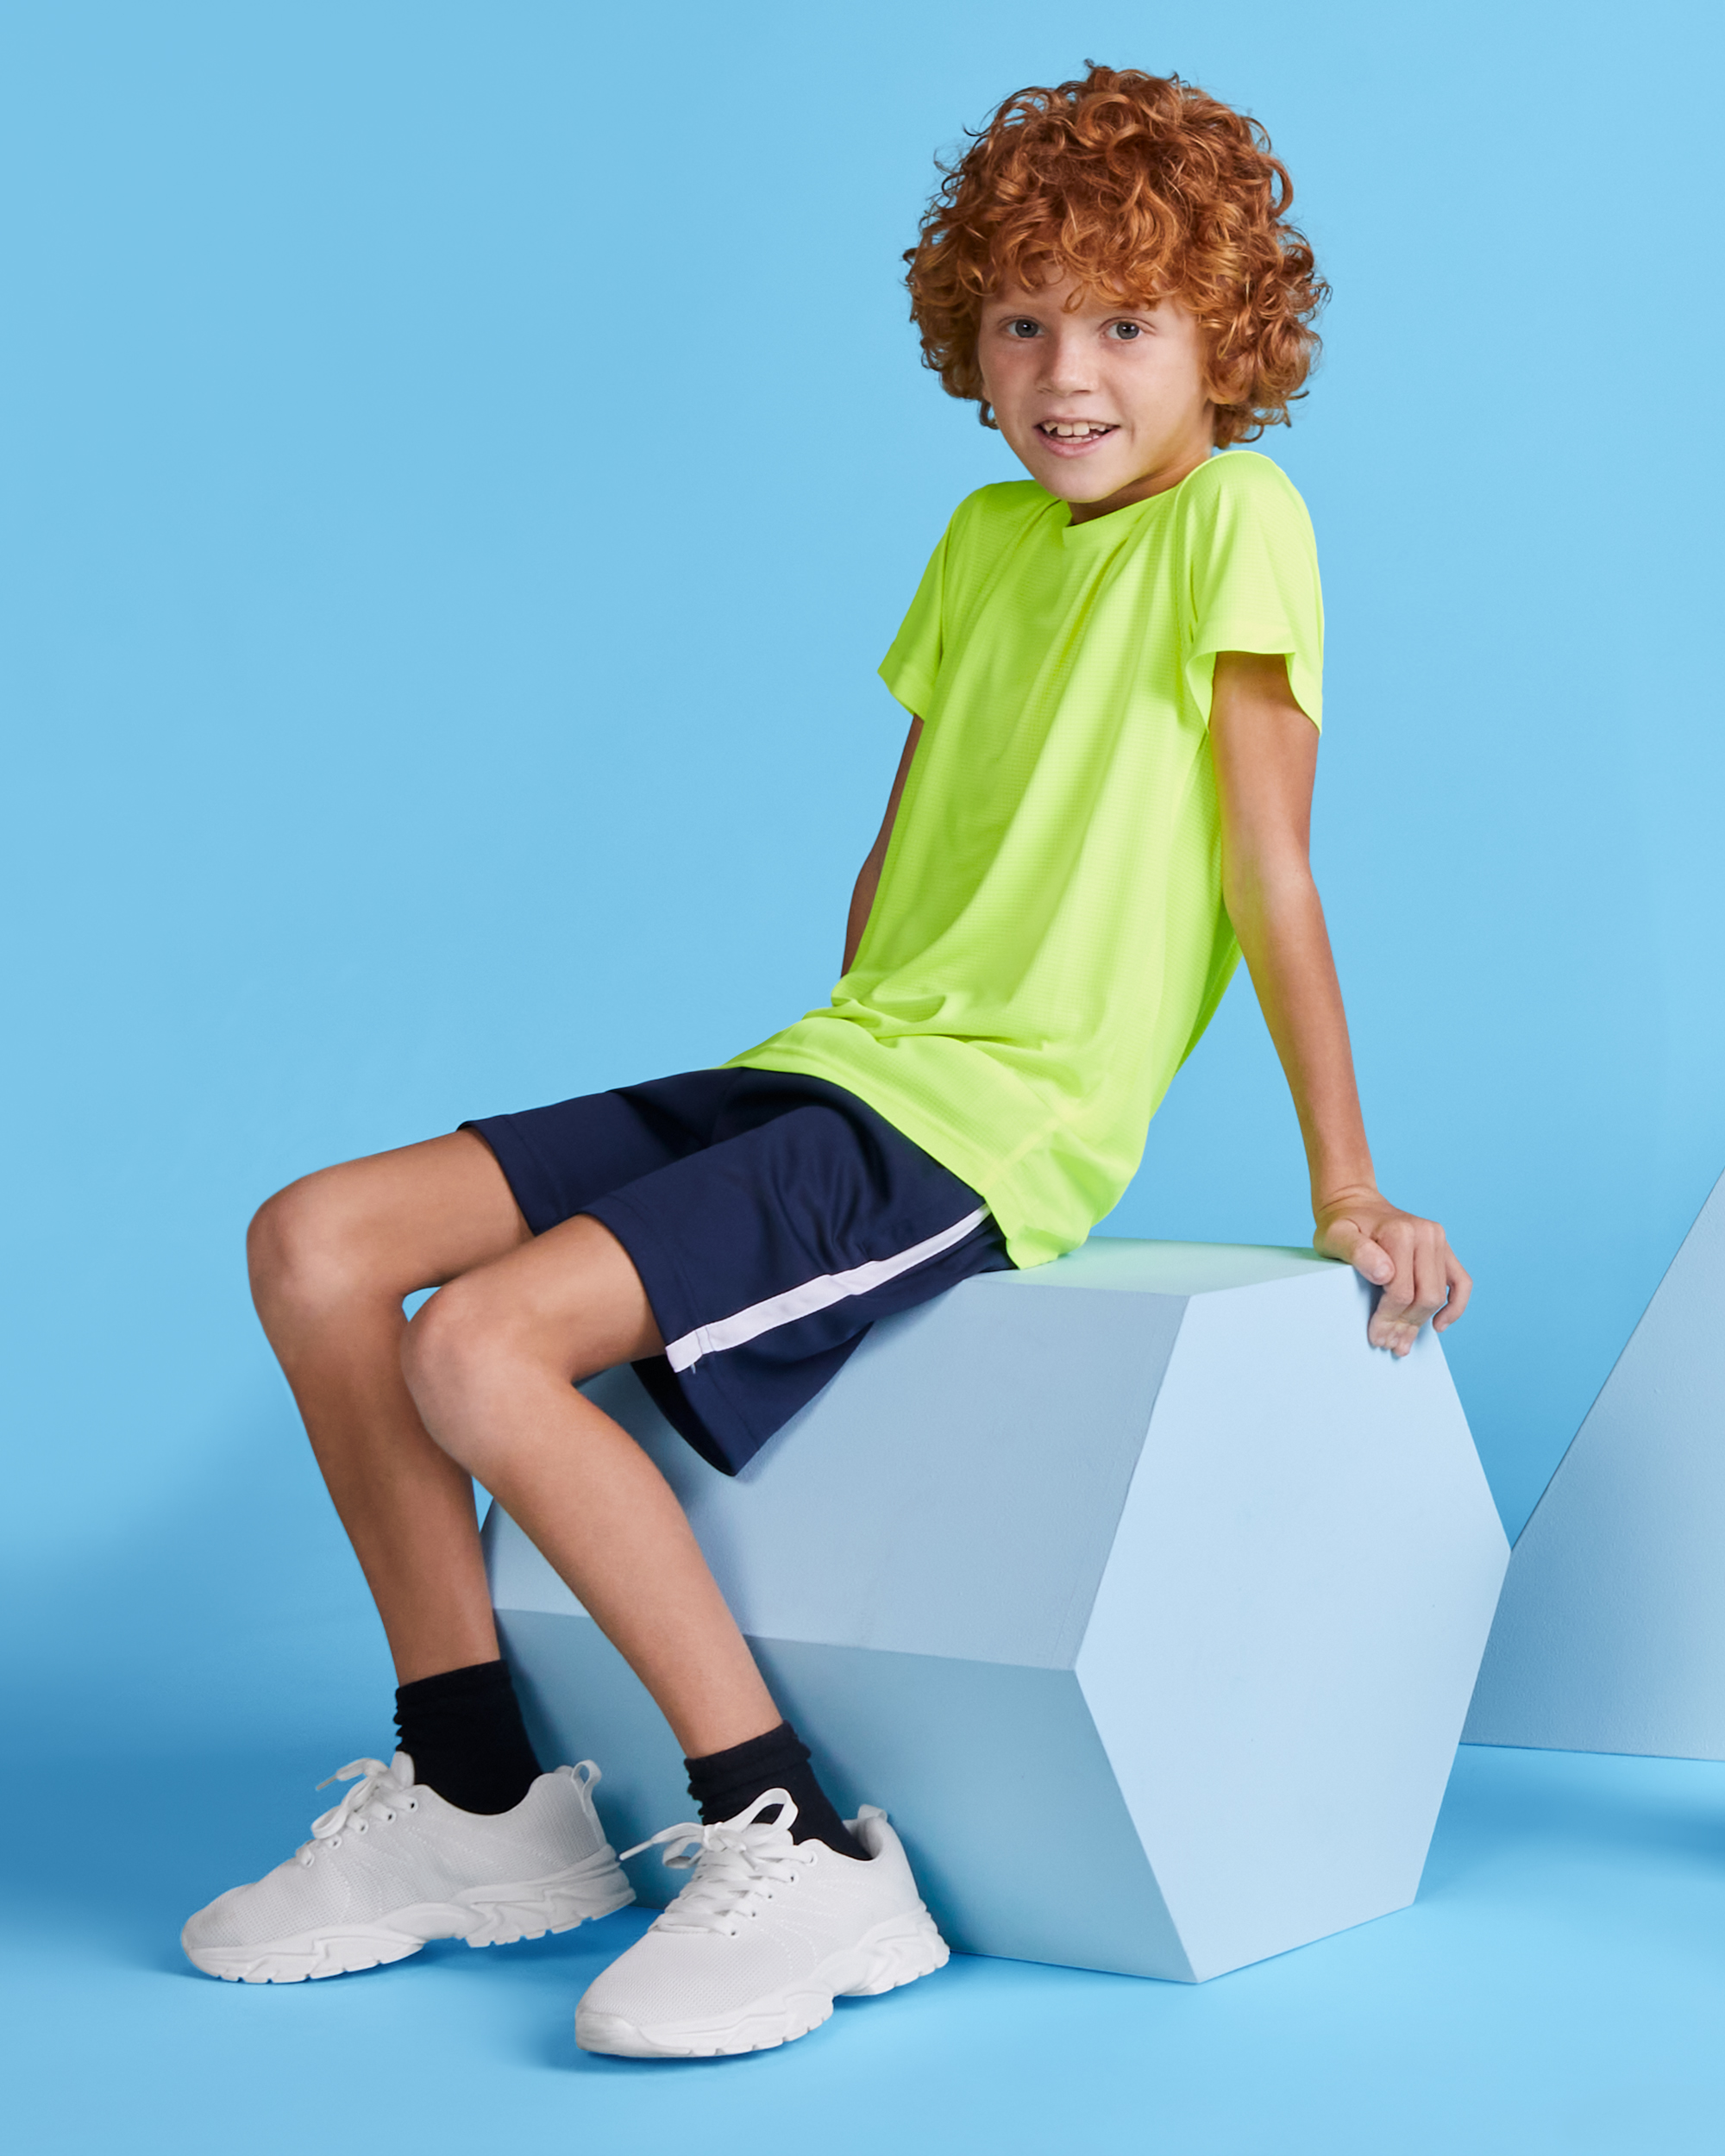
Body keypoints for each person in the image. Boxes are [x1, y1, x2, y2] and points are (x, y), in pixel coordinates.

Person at [180, 63, 1471, 2057]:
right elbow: (903, 844)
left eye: (1127, 323)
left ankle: (787, 1833)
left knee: (482, 1349)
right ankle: (475, 1795)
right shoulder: (981, 537)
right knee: (318, 1241)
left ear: (1227, 337)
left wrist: (1345, 1181)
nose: (1065, 374)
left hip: (984, 1119)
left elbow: (1270, 870)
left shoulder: (1239, 519)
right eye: (1022, 320)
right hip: (838, 1062)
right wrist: (793, 1088)